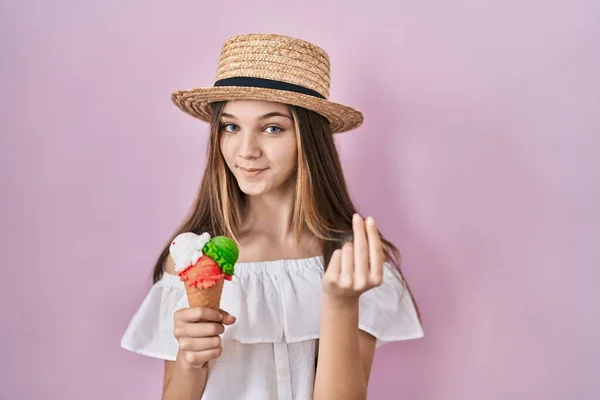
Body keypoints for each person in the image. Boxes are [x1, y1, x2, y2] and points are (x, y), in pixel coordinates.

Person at [121, 33, 424, 400]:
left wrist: (341, 303)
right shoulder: (191, 257)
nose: (246, 150)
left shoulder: (347, 260)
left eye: (272, 128)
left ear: (309, 141)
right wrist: (189, 360)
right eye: (231, 127)